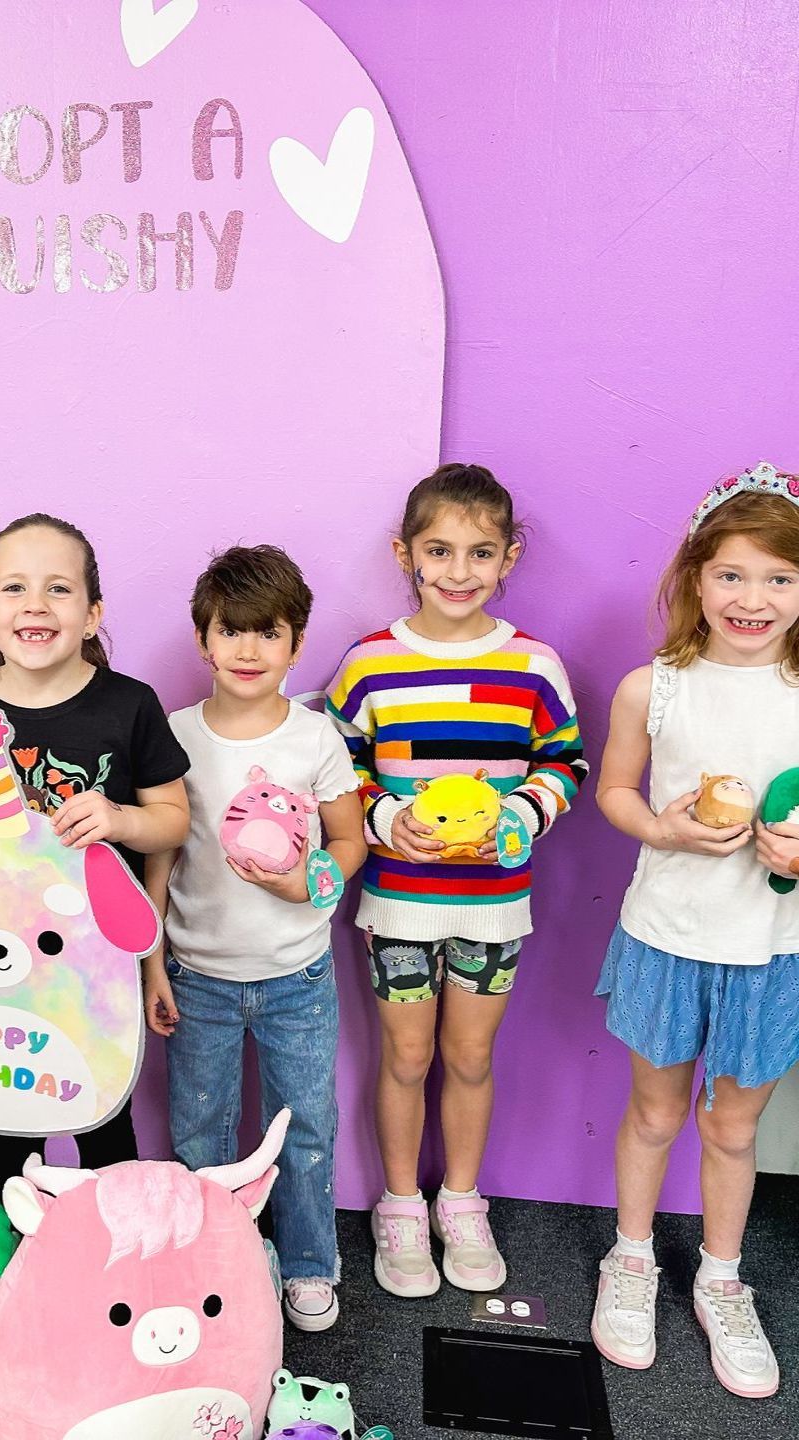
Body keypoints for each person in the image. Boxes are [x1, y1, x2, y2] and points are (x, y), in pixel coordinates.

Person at [327, 463, 586, 1297]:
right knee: (404, 1057)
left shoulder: (534, 666)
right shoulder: (368, 665)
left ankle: (461, 1202)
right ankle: (401, 1205)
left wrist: (518, 820)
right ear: (407, 553)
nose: (459, 571)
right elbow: (335, 767)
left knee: (470, 1057)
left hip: (493, 909)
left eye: (481, 553)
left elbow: (565, 762)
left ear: (509, 557)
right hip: (400, 904)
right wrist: (380, 822)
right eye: (440, 551)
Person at [0, 513, 190, 1195]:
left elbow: (173, 822)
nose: (34, 605)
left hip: (94, 957)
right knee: (10, 1111)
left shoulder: (130, 705)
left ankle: (115, 1245)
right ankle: (9, 1247)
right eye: (15, 588)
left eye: (59, 589)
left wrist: (117, 818)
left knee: (102, 1110)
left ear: (92, 615)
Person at [589, 464, 799, 1400]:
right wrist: (666, 829)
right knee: (656, 1112)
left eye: (780, 578)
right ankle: (629, 1260)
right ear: (694, 576)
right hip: (669, 934)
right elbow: (615, 793)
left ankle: (721, 1278)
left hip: (773, 949)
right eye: (731, 574)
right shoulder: (653, 687)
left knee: (733, 1125)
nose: (752, 599)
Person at [143, 544, 366, 1333]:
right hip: (196, 973)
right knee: (200, 1127)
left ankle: (308, 1263)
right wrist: (152, 967)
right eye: (229, 632)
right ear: (203, 638)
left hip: (296, 976)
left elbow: (350, 843)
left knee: (305, 1122)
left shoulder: (314, 740)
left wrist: (306, 882)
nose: (247, 650)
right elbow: (161, 855)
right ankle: (216, 1259)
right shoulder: (173, 736)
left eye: (267, 633)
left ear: (295, 644)